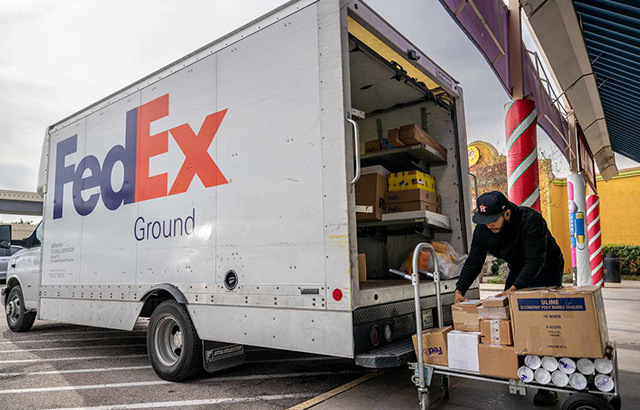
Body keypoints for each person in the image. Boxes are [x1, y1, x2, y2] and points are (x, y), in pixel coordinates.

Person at [454, 191, 564, 406]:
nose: (488, 226)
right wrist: (460, 290)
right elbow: (474, 262)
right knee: (507, 314)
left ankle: (547, 385)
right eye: (483, 221)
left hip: (546, 266)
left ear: (506, 213)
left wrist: (514, 289)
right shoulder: (483, 231)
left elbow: (536, 261)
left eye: (492, 220)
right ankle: (516, 368)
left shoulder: (530, 221)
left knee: (542, 322)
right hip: (519, 268)